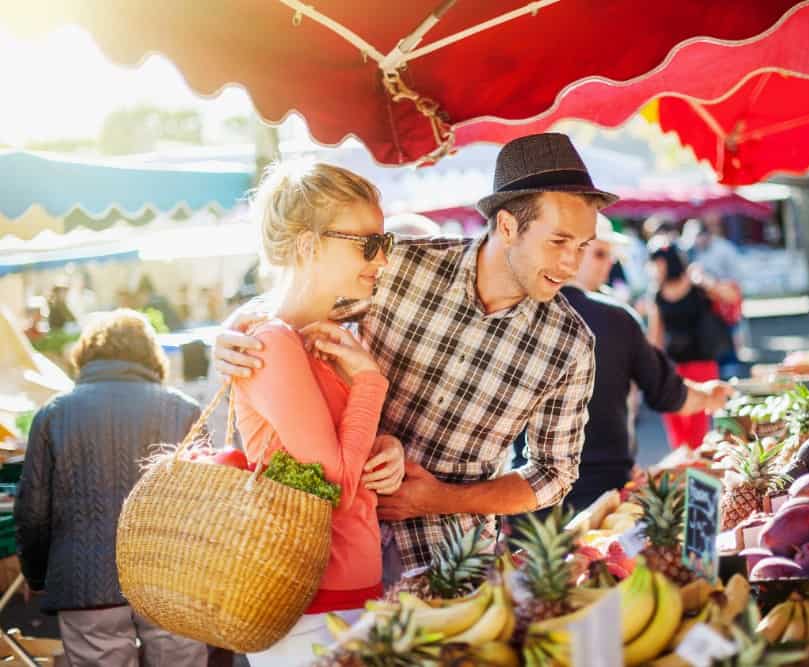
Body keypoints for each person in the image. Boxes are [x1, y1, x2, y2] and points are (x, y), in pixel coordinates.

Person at [214, 132, 613, 578]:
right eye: (558, 242)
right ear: (506, 226)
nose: (571, 264)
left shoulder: (570, 345)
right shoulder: (400, 266)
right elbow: (300, 303)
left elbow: (553, 475)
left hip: (451, 562)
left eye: (582, 246)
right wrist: (233, 331)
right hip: (335, 545)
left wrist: (441, 497)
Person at [231, 161, 402, 666]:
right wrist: (371, 383)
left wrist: (387, 451)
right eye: (366, 244)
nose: (381, 260)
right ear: (307, 245)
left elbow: (344, 456)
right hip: (310, 608)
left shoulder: (330, 340)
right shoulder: (272, 342)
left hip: (346, 596)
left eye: (384, 243)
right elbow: (334, 480)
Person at [14, 309, 207, 667]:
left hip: (87, 585)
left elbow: (34, 509)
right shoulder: (184, 411)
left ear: (86, 354)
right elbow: (206, 506)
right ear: (151, 355)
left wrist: (36, 574)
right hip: (171, 582)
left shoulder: (54, 414)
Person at [521, 215, 732, 508]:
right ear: (570, 254)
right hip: (600, 489)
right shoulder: (616, 317)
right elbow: (668, 393)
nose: (608, 263)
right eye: (599, 253)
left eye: (610, 255)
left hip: (527, 494)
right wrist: (710, 395)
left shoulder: (519, 315)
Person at [648, 244, 733, 449]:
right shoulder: (658, 295)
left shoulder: (698, 287)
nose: (654, 270)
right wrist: (652, 368)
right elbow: (655, 336)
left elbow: (730, 297)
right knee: (676, 428)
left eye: (658, 264)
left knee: (697, 430)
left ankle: (694, 473)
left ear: (670, 263)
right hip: (673, 366)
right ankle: (682, 472)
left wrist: (705, 281)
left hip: (702, 363)